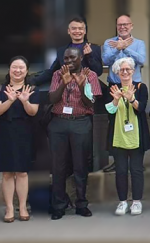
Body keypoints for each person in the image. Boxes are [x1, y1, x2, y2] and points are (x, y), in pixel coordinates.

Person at [48, 48, 102, 220]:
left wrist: (81, 85)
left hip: (80, 122)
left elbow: (90, 103)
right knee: (58, 167)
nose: (69, 61)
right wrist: (64, 83)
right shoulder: (58, 74)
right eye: (66, 58)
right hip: (59, 122)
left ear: (81, 58)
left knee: (80, 165)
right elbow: (52, 99)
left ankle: (81, 204)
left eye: (72, 58)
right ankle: (59, 205)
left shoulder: (90, 75)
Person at [0, 56, 40, 222]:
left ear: (27, 71)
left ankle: (23, 206)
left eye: (21, 68)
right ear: (9, 69)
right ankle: (9, 208)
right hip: (4, 132)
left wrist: (25, 102)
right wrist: (10, 101)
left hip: (24, 132)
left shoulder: (32, 89)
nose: (17, 70)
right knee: (7, 173)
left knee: (22, 172)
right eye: (14, 67)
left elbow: (33, 112)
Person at [106, 57, 150, 216]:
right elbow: (109, 113)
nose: (125, 72)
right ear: (117, 73)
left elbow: (142, 108)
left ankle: (137, 201)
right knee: (121, 171)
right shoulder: (113, 89)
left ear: (133, 71)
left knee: (136, 170)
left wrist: (131, 99)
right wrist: (115, 100)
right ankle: (122, 201)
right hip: (118, 135)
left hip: (136, 136)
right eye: (121, 70)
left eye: (128, 69)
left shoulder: (140, 87)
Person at [31, 16, 103, 86]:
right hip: (68, 89)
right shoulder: (62, 51)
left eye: (80, 28)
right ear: (69, 31)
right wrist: (33, 81)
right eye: (74, 28)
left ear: (85, 31)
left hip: (89, 88)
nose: (77, 31)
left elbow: (98, 72)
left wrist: (89, 56)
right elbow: (52, 72)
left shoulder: (94, 49)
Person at [102, 15, 147, 84]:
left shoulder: (139, 43)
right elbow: (105, 61)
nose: (122, 27)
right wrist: (117, 49)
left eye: (125, 24)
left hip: (134, 84)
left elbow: (141, 60)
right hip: (115, 84)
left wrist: (125, 49)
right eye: (119, 25)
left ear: (131, 26)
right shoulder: (109, 42)